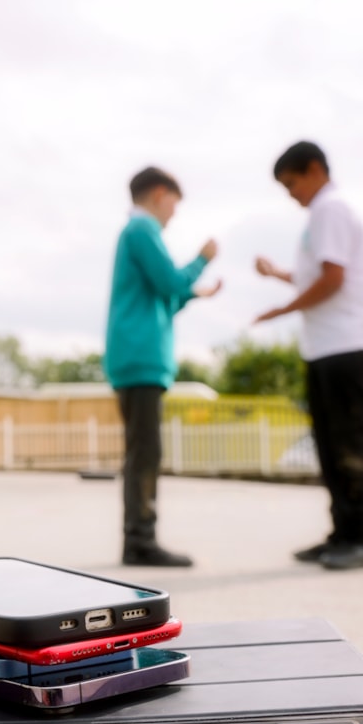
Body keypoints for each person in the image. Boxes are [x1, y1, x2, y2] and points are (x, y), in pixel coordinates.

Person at [254, 141, 363, 570]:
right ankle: (341, 534)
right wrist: (279, 275)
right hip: (328, 344)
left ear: (314, 170)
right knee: (331, 445)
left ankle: (360, 539)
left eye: (292, 183)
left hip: (349, 342)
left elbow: (333, 279)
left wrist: (284, 309)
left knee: (349, 443)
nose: (290, 193)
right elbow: (318, 273)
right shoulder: (321, 215)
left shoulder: (331, 209)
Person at [104, 167, 221, 568]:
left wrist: (191, 292)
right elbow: (170, 282)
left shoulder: (135, 233)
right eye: (174, 202)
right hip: (140, 357)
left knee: (142, 451)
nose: (174, 213)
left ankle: (139, 538)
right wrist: (202, 261)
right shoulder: (142, 231)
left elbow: (165, 295)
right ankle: (140, 540)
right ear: (159, 193)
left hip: (135, 357)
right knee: (145, 453)